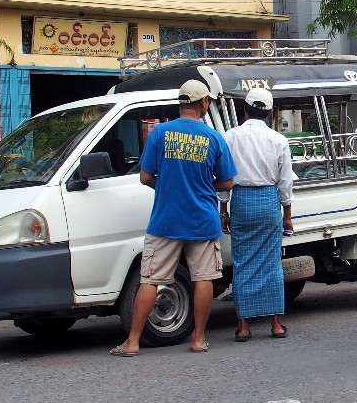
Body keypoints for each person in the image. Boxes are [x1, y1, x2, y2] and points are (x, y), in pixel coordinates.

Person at [109, 79, 237, 357]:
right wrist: (204, 185)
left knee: (151, 280)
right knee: (203, 278)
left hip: (165, 219)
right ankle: (199, 339)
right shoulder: (214, 138)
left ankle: (132, 342)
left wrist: (166, 183)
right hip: (202, 219)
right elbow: (227, 183)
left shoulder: (160, 133)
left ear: (181, 104)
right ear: (203, 103)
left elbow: (145, 177)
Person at [220, 87, 293, 341]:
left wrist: (223, 210)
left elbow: (225, 178)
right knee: (271, 262)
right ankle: (275, 324)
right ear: (270, 112)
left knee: (243, 264)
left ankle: (243, 327)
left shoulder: (230, 137)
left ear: (244, 111)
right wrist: (287, 215)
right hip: (268, 201)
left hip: (241, 201)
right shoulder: (278, 140)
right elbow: (285, 183)